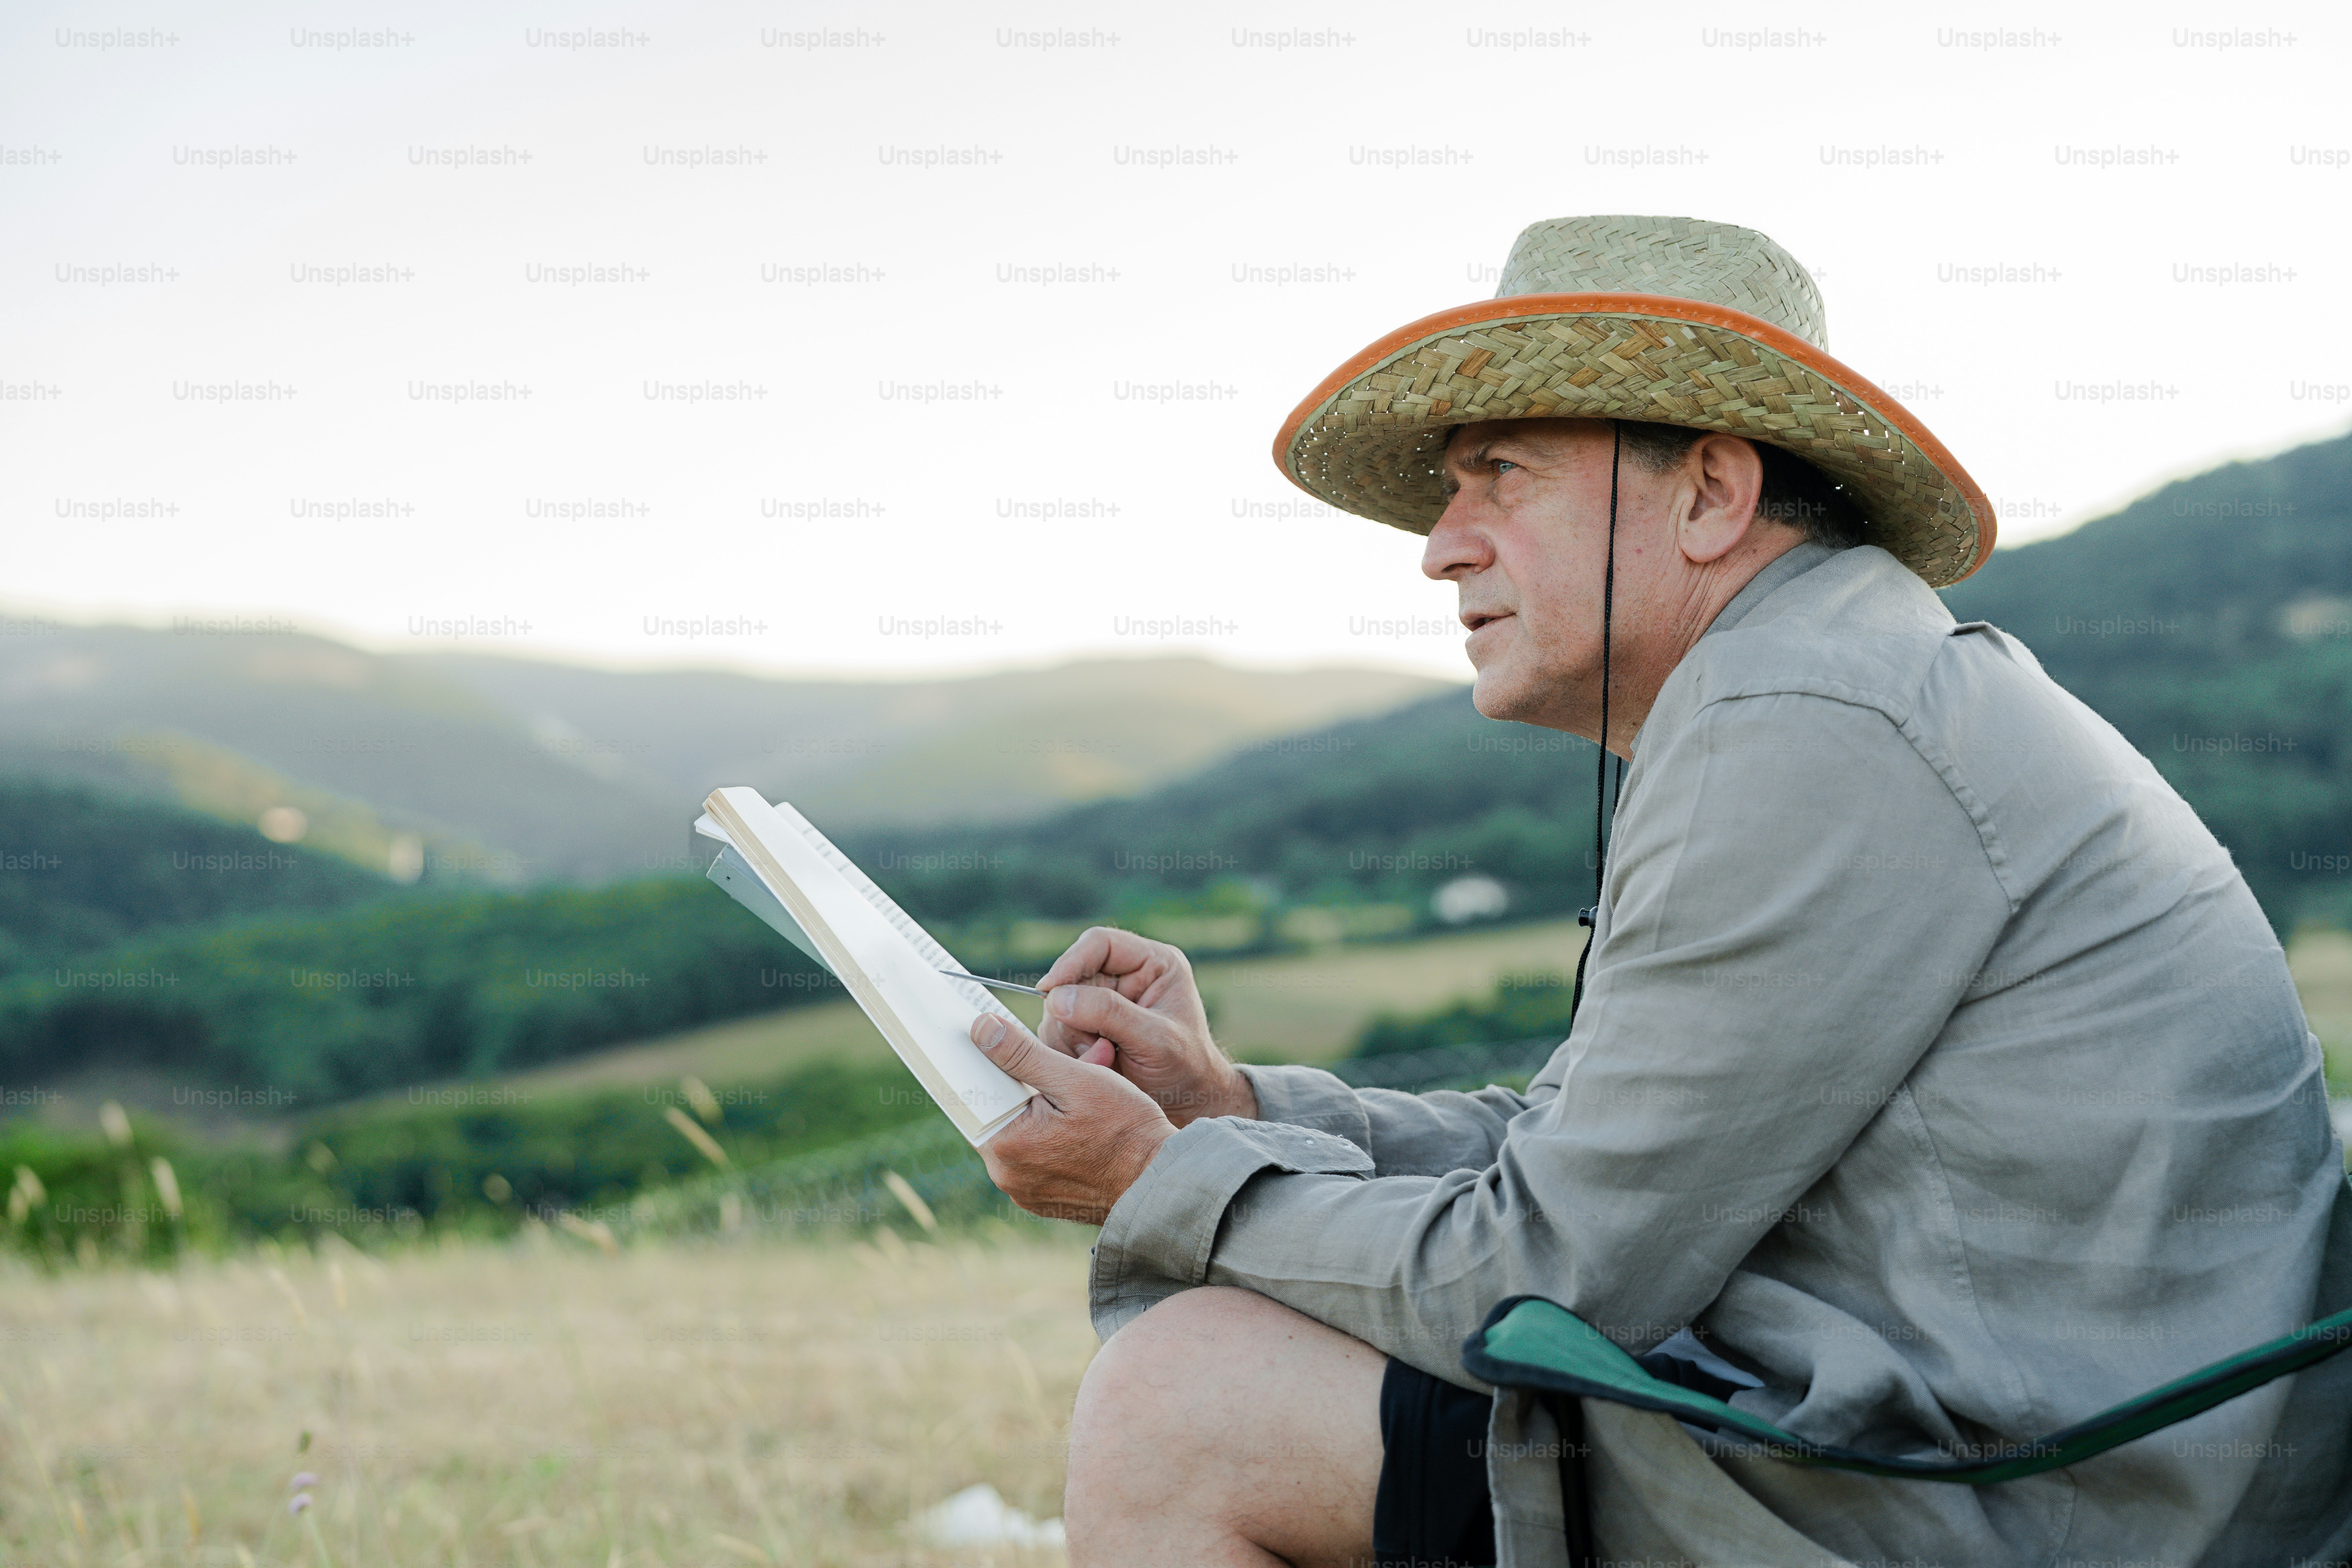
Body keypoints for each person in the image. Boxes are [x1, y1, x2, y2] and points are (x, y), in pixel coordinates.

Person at [965, 216, 2352, 1567]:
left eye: (1499, 473)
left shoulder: (1809, 718)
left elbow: (1549, 1271)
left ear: (1708, 495)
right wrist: (1239, 1109)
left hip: (2035, 1501)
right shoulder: (1822, 681)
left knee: (1184, 1404)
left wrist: (1161, 1177)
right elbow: (1577, 1154)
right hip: (2050, 1459)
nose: (1442, 545)